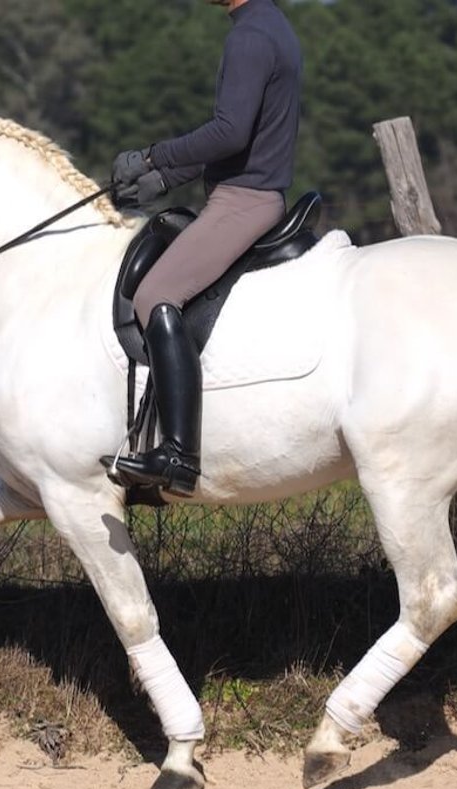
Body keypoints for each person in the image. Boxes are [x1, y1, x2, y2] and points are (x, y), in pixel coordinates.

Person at [108, 0, 303, 497]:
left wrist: (154, 154)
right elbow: (239, 143)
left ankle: (177, 455)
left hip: (245, 201)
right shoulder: (266, 26)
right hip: (244, 191)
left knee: (155, 295)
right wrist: (164, 178)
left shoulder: (250, 36)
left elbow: (228, 131)